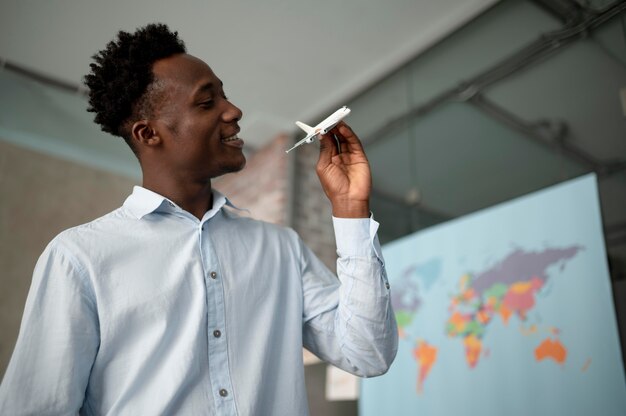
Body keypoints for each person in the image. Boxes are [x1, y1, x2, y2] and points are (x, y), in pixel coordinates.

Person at [0, 23, 397, 415]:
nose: (234, 110)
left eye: (224, 95)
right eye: (207, 103)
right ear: (148, 133)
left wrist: (350, 207)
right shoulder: (80, 257)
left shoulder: (280, 248)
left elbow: (369, 352)